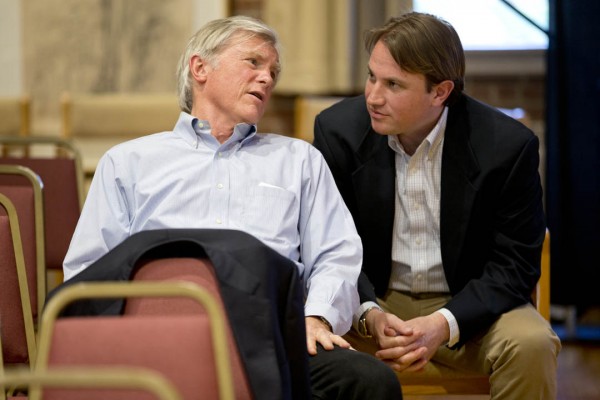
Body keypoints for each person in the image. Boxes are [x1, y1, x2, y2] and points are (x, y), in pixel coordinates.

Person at [61, 15, 401, 400]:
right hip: (158, 336)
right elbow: (87, 271)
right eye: (253, 62)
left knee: (370, 383)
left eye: (273, 71)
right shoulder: (127, 163)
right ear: (200, 67)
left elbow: (337, 254)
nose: (267, 78)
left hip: (272, 340)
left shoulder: (298, 160)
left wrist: (316, 317)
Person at [313, 12, 561, 400]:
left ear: (440, 92)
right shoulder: (338, 130)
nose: (373, 97)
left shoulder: (507, 147)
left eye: (393, 84)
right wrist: (368, 313)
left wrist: (444, 323)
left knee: (532, 343)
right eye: (372, 76)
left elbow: (516, 263)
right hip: (371, 299)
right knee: (302, 334)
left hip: (466, 304)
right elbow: (327, 240)